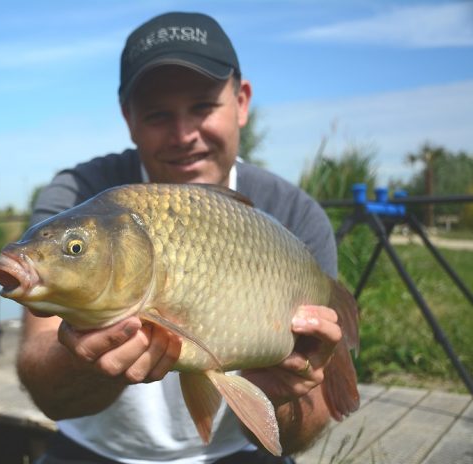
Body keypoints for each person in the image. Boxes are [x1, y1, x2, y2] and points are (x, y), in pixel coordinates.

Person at [17, 11, 343, 464]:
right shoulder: (80, 194)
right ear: (129, 119)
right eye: (157, 115)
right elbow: (45, 381)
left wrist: (287, 393)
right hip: (97, 450)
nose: (184, 135)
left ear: (242, 101)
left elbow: (306, 427)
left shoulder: (292, 216)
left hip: (238, 449)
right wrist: (82, 361)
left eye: (203, 107)